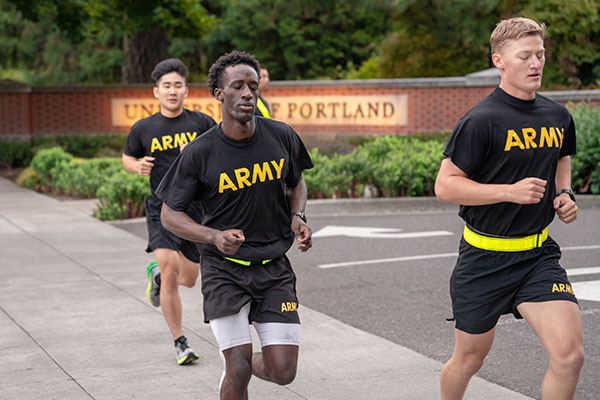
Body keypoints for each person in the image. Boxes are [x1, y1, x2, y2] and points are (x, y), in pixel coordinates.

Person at [434, 17, 584, 400]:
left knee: (569, 357)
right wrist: (508, 192)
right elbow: (445, 185)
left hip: (537, 256)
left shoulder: (557, 115)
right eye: (524, 56)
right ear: (499, 61)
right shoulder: (481, 120)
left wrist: (564, 194)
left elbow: (561, 157)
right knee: (468, 361)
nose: (535, 64)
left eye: (540, 54)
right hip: (484, 258)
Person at [155, 50, 313, 399]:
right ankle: (235, 366)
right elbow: (170, 213)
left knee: (283, 371)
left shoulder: (281, 135)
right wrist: (213, 236)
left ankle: (239, 366)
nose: (247, 93)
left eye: (252, 86)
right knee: (238, 366)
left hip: (273, 268)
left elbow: (296, 180)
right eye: (238, 86)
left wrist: (297, 216)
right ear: (218, 94)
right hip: (224, 269)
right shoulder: (200, 152)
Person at [122, 58, 216, 365]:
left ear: (186, 91)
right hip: (161, 209)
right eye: (166, 86)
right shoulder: (144, 128)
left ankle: (156, 276)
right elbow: (127, 157)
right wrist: (136, 165)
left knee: (189, 279)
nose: (172, 91)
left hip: (196, 212)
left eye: (177, 85)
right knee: (172, 272)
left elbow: (220, 152)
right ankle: (181, 342)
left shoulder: (202, 124)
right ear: (156, 92)